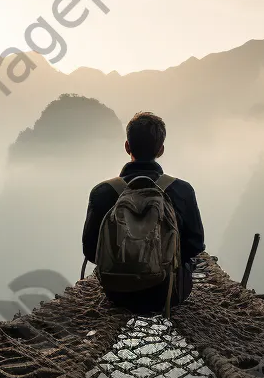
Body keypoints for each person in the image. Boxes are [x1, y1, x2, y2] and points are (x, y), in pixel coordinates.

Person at [82, 111, 205, 313]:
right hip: (168, 293)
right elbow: (195, 245)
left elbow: (90, 250)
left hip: (116, 293)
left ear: (127, 147)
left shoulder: (102, 192)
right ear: (161, 150)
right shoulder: (182, 190)